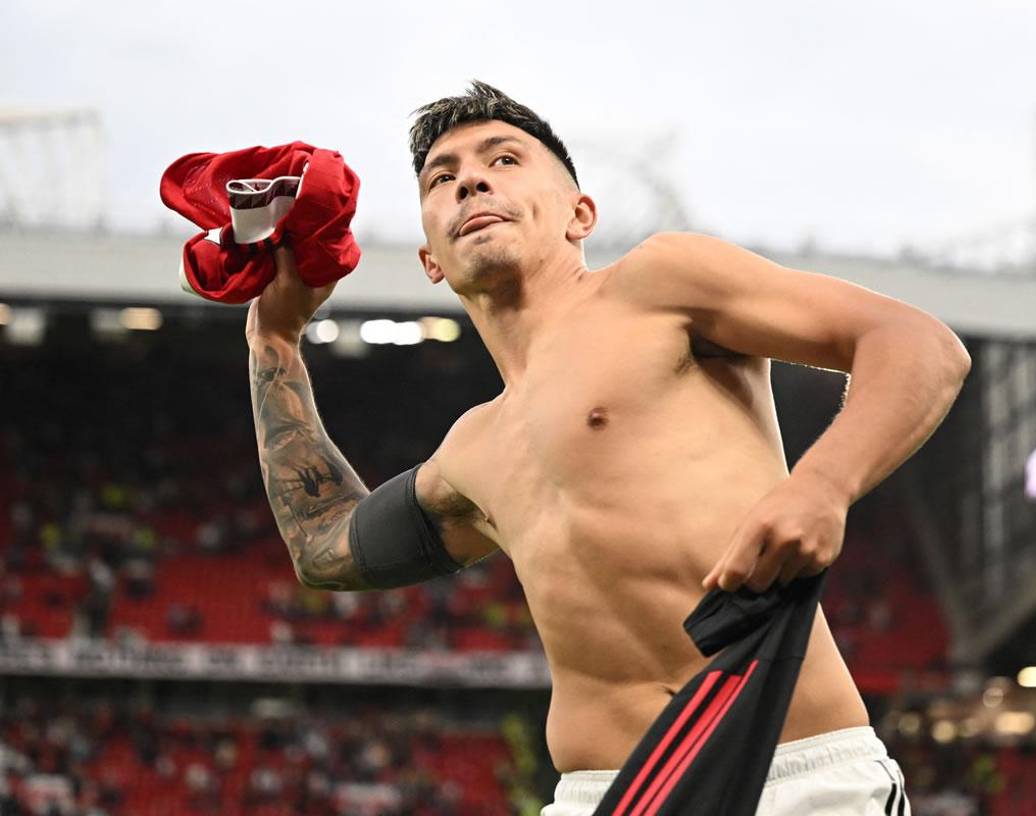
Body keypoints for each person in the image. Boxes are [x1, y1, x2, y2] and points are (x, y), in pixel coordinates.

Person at [244, 81, 970, 814]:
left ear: (579, 214)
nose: (470, 179)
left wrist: (822, 486)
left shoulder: (658, 287)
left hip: (794, 778)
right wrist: (274, 338)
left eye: (504, 159)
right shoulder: (471, 452)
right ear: (431, 258)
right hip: (604, 798)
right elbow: (322, 545)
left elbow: (918, 346)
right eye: (443, 178)